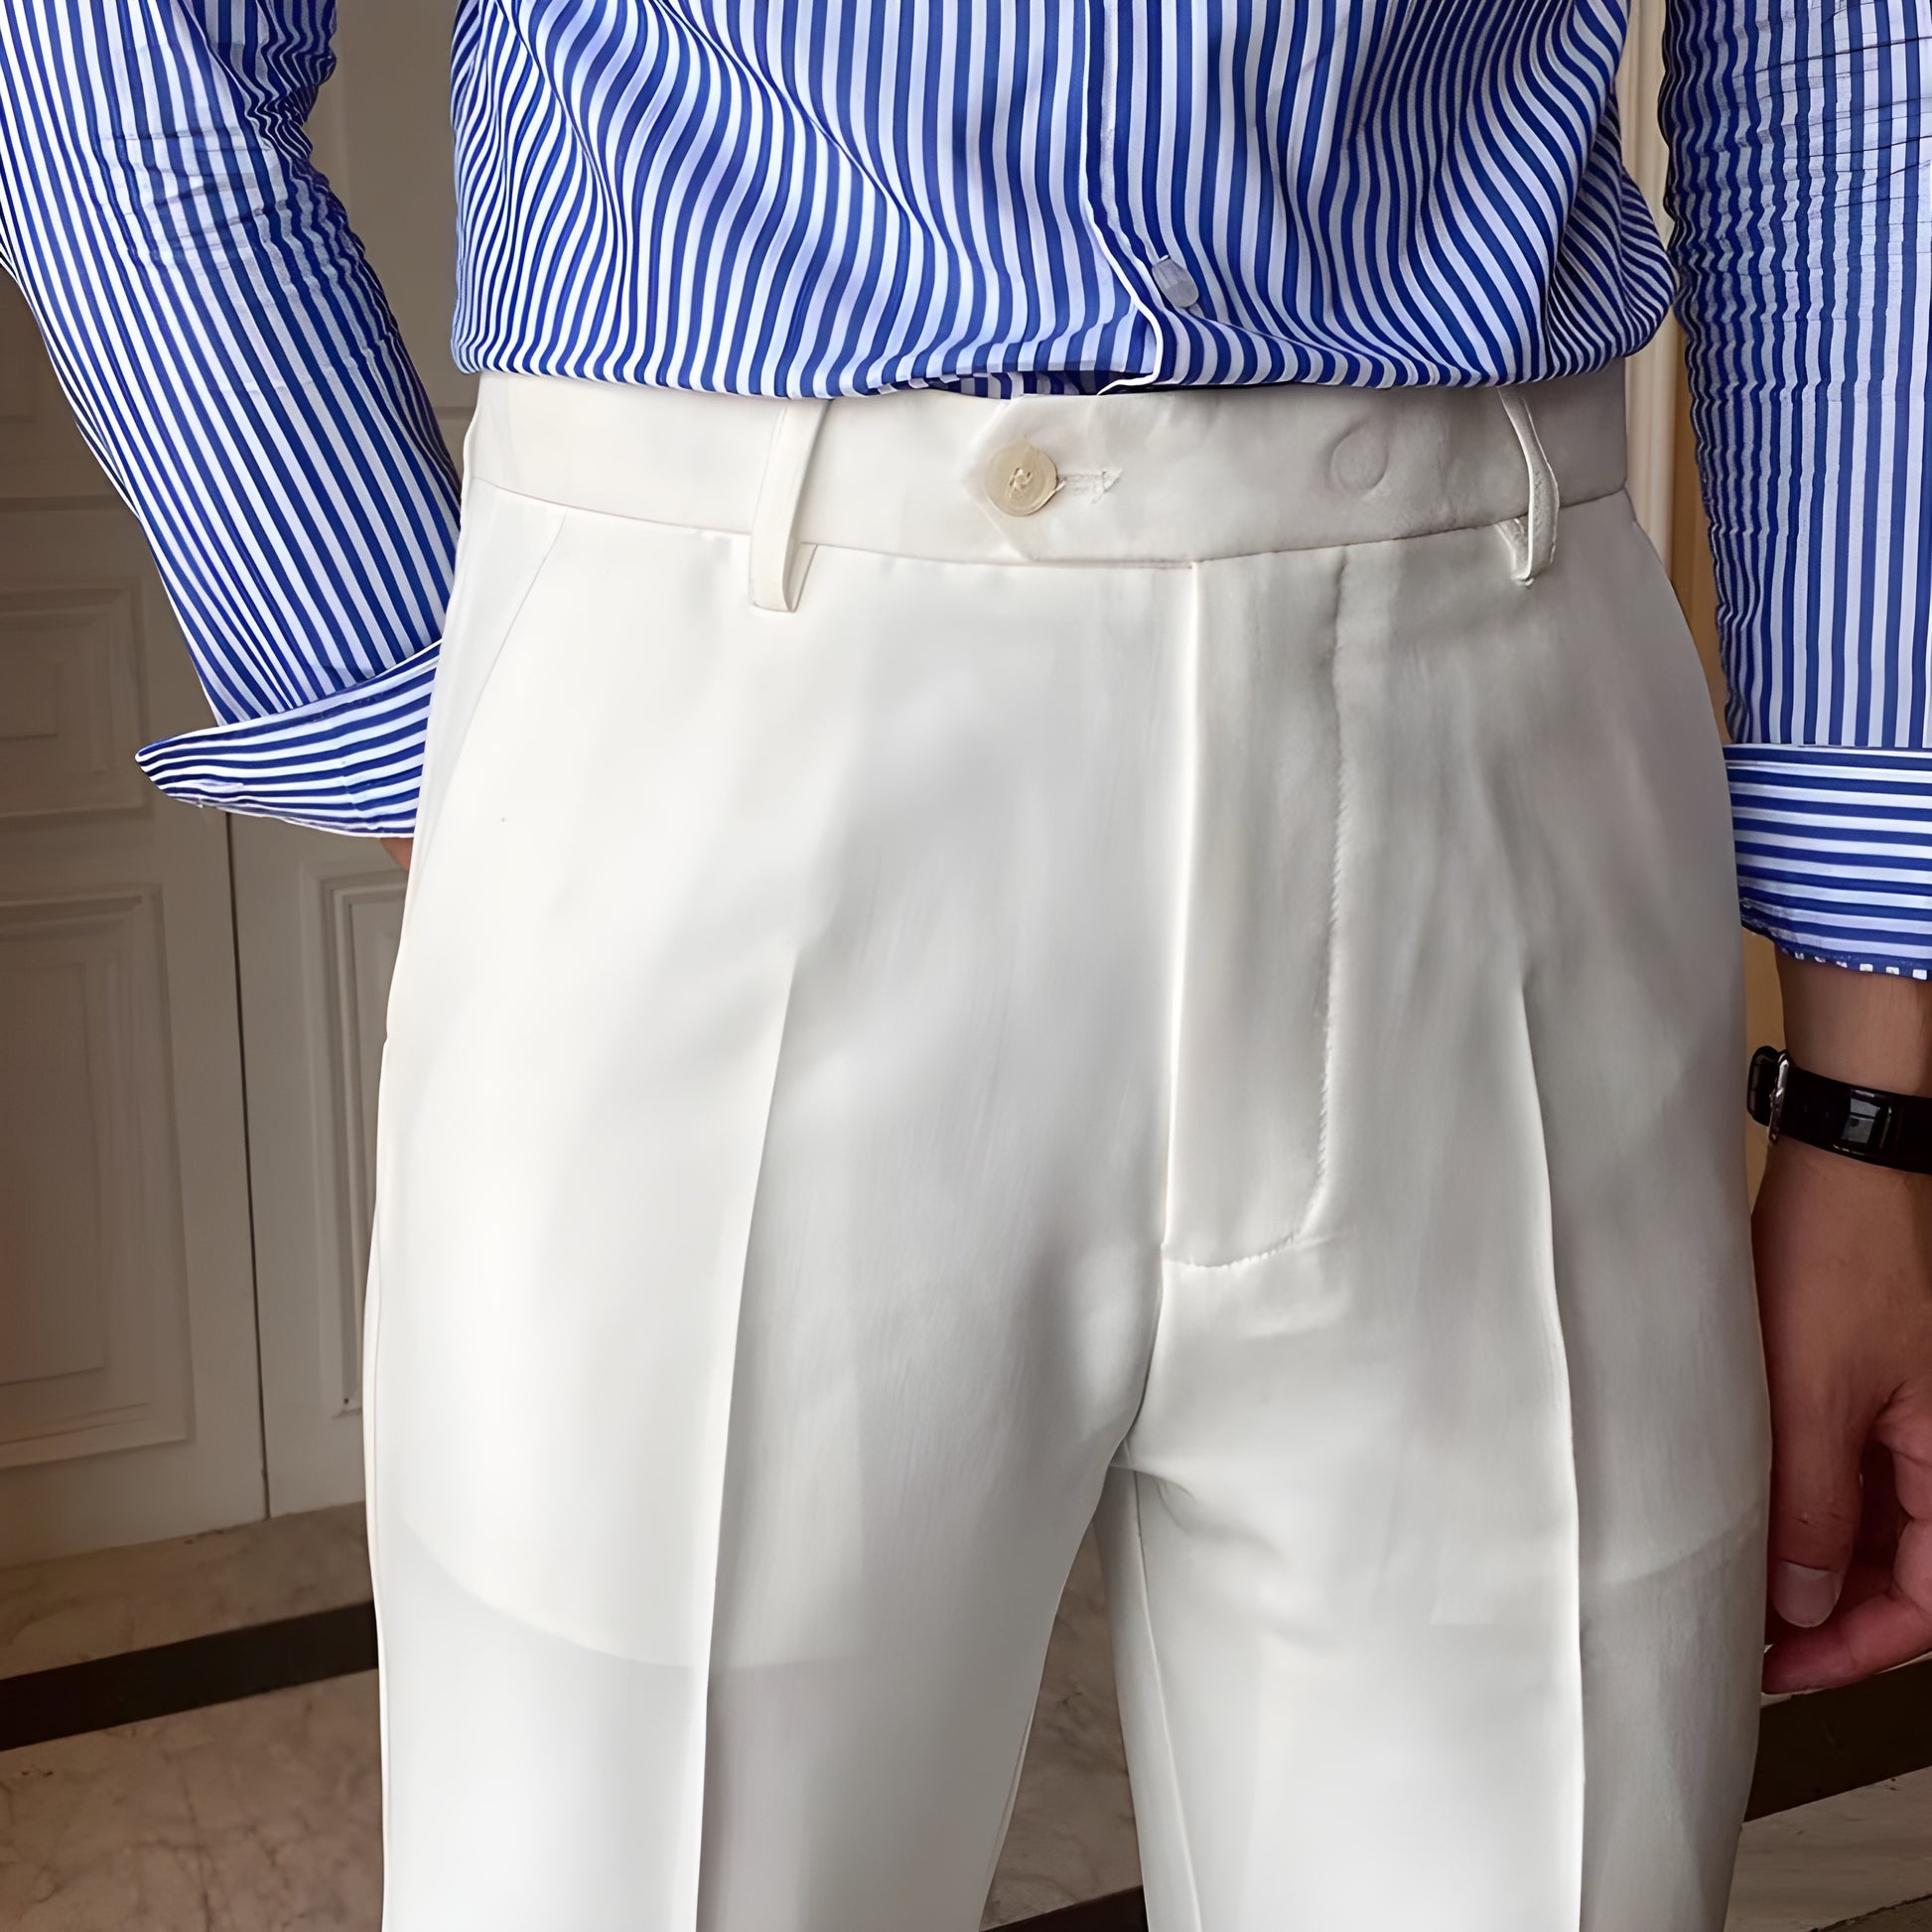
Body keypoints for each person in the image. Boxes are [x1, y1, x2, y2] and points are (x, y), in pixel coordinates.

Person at [2, 3, 1928, 1927]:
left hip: (1507, 732)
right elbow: (113, 56)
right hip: (727, 704)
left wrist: (1870, 1099)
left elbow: (1844, 72)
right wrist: (442, 738)